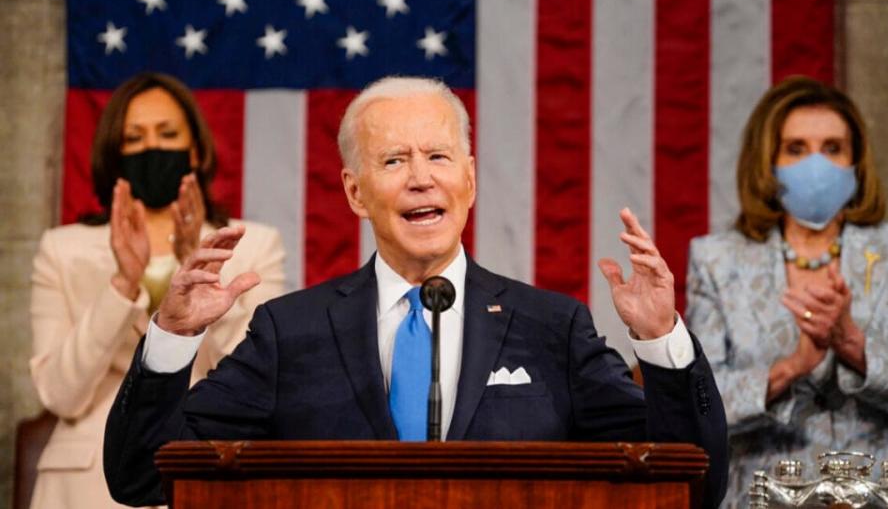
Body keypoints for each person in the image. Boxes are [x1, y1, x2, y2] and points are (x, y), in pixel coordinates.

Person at [103, 76, 729, 508]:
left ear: (470, 178)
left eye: (439, 156)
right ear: (355, 193)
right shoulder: (289, 333)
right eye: (395, 161)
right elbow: (140, 474)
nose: (422, 179)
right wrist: (173, 336)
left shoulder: (552, 328)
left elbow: (690, 480)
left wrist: (661, 341)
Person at [685, 76, 888, 507]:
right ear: (767, 161)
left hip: (885, 497)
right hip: (763, 496)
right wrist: (789, 369)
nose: (818, 165)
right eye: (796, 149)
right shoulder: (717, 259)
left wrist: (855, 346)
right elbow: (699, 408)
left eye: (833, 148)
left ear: (856, 160)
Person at [29, 72, 286, 509]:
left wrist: (202, 267)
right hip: (86, 487)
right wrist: (122, 284)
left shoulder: (254, 244)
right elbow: (59, 394)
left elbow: (261, 379)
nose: (153, 148)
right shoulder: (62, 248)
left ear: (196, 149)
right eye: (135, 138)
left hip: (210, 470)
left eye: (167, 134)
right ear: (116, 153)